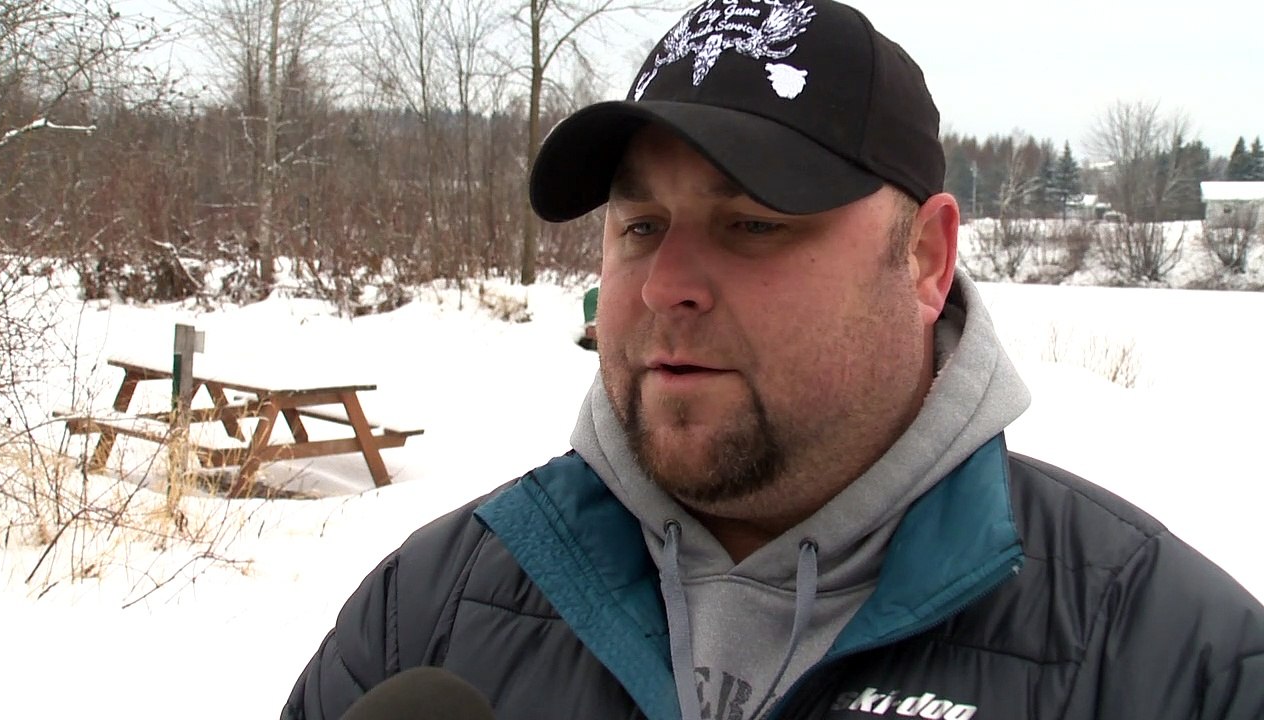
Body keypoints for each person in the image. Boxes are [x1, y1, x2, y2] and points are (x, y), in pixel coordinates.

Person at [282, 1, 1264, 718]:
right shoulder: (427, 617)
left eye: (750, 221)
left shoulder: (1170, 663)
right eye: (638, 223)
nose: (667, 282)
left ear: (924, 258)